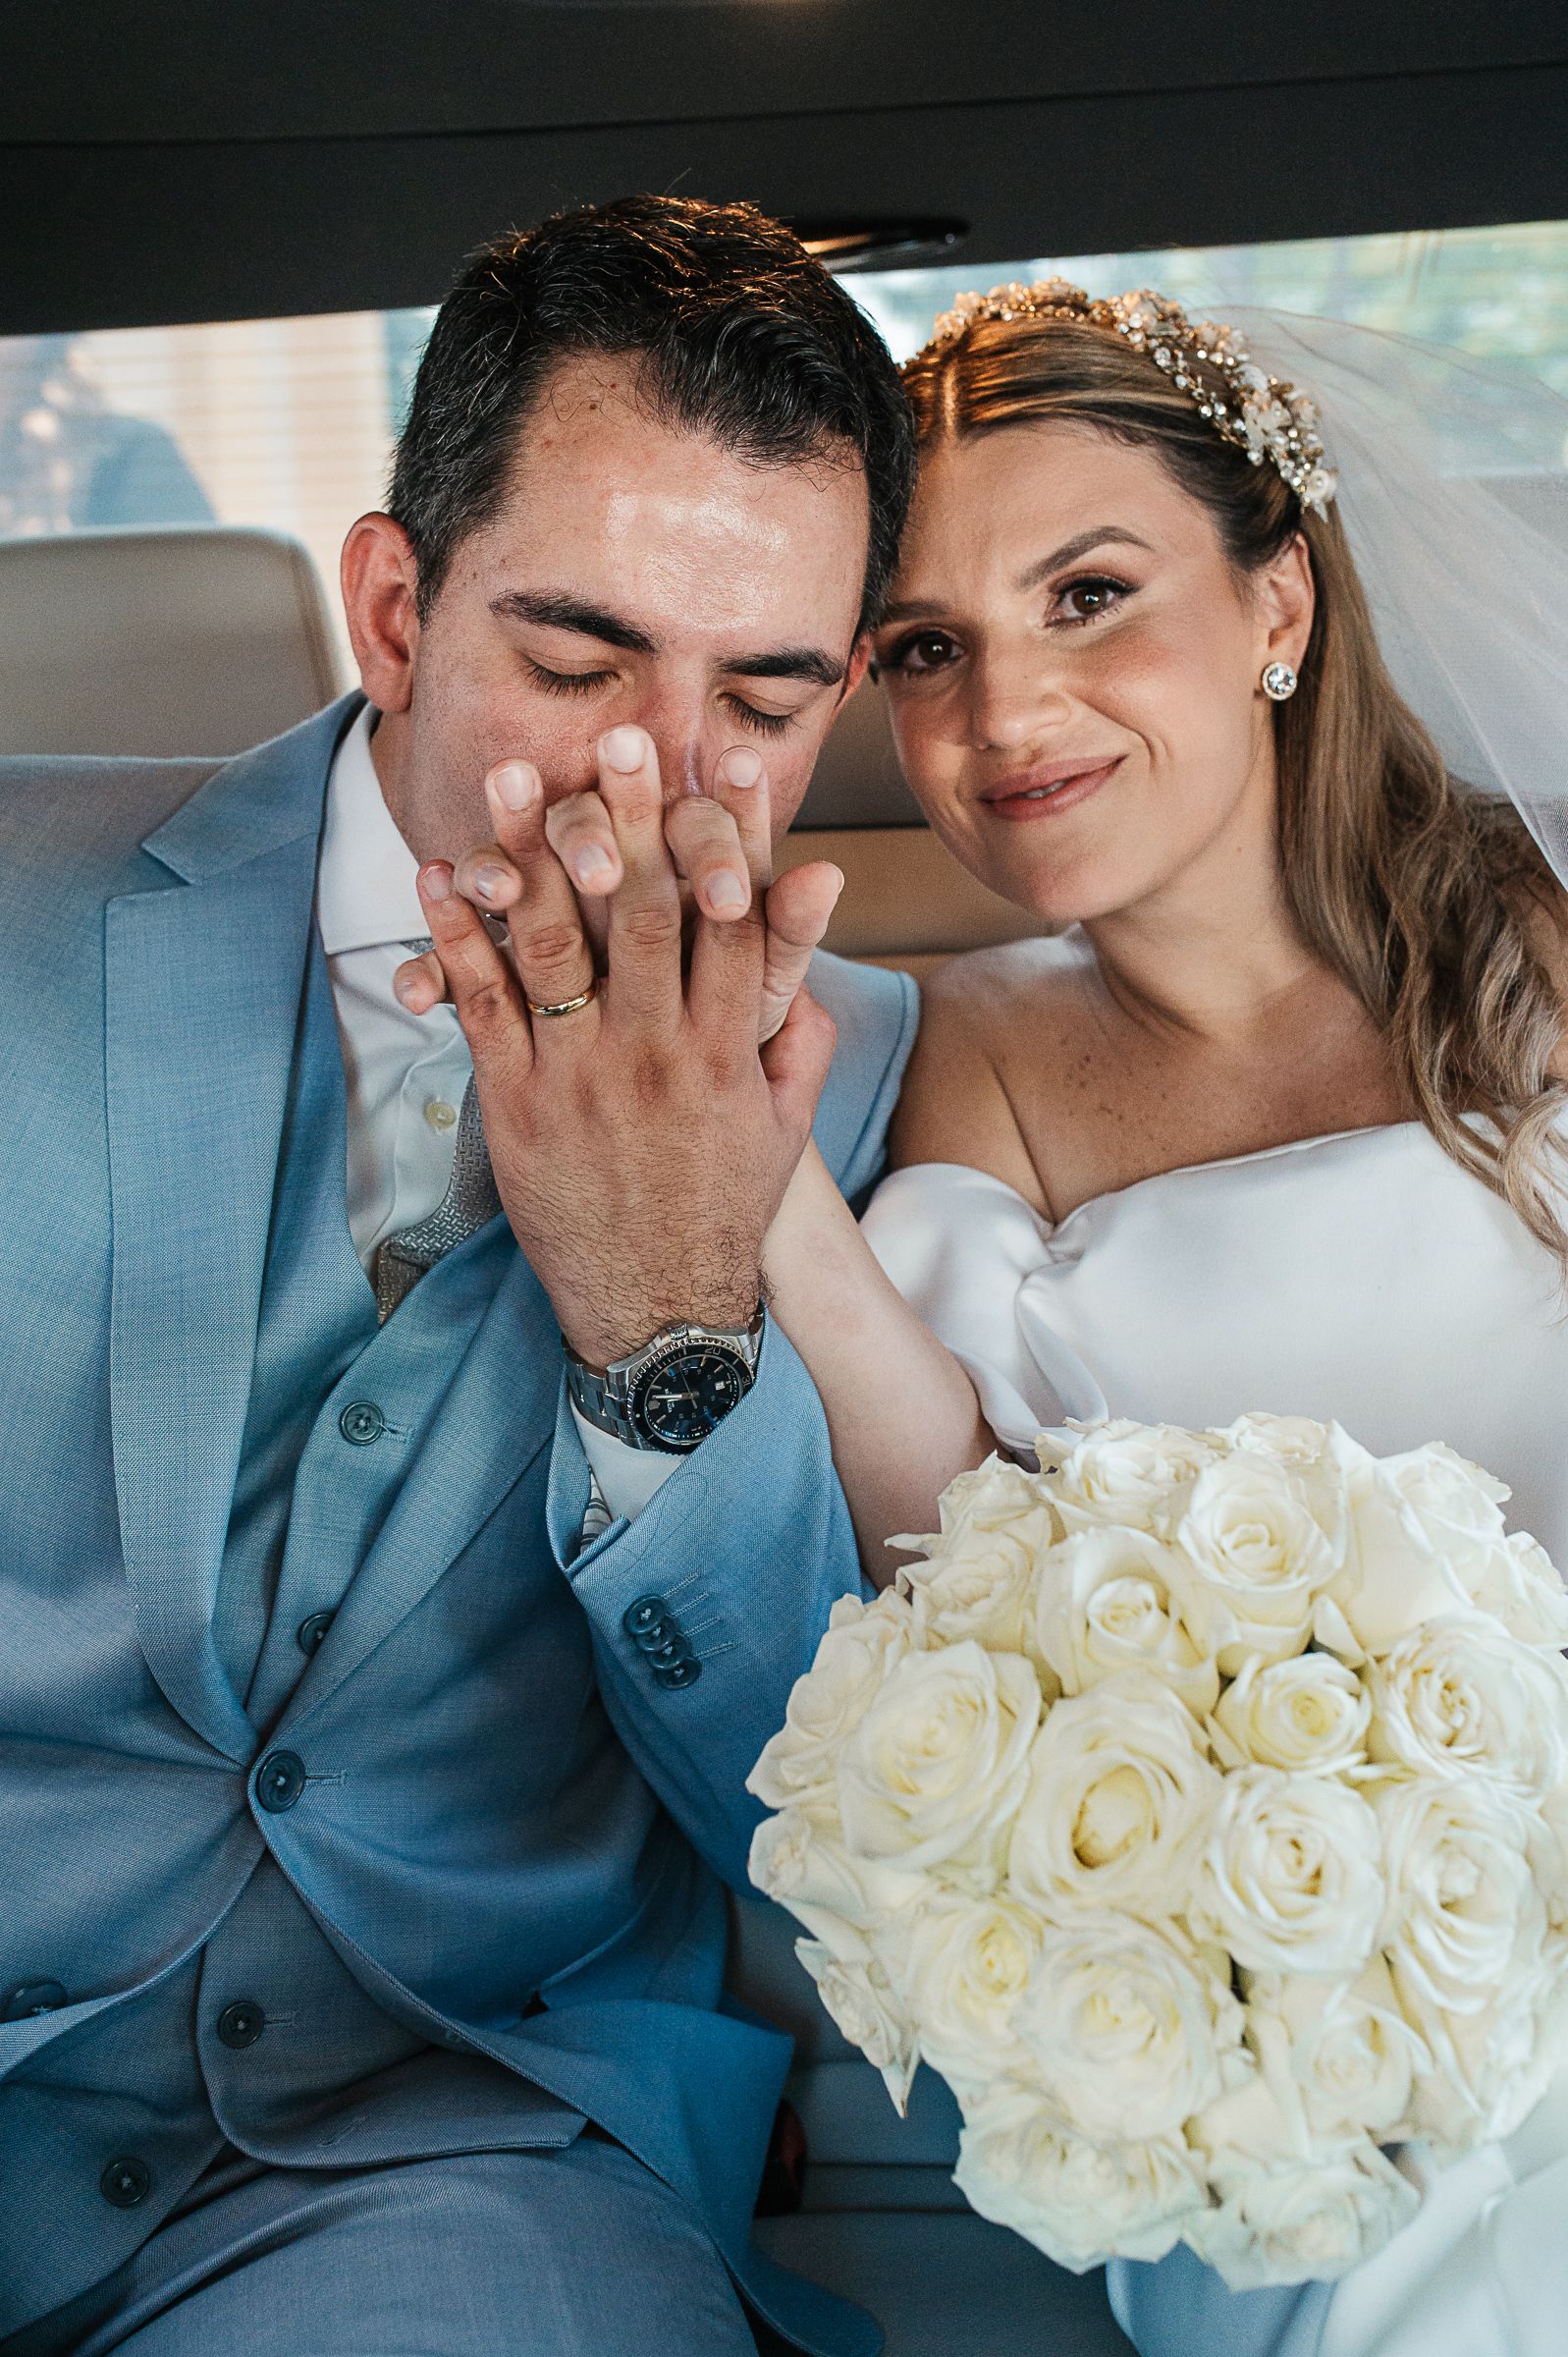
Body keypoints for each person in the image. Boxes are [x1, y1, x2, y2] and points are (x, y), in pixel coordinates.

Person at [0, 195, 919, 2357]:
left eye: (763, 698)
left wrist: (668, 1322)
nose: (655, 784)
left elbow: (823, 1809)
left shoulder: (872, 1079)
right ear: (395, 611)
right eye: (578, 661)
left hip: (450, 2143)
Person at [722, 283, 1568, 2353]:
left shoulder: (1539, 933)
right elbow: (958, 1570)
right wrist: (768, 1204)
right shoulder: (968, 1061)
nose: (1006, 713)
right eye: (924, 651)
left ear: (1277, 600)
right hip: (1285, 1985)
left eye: (1089, 594)